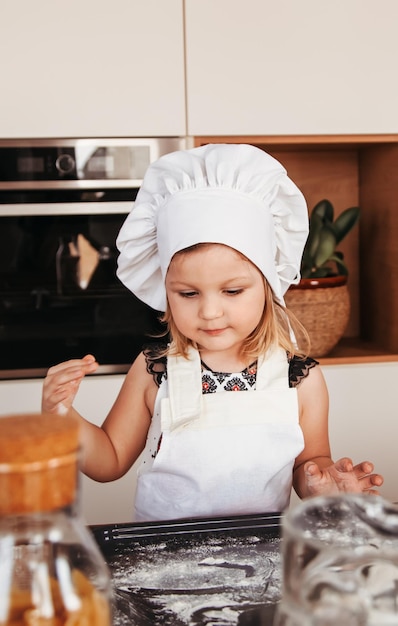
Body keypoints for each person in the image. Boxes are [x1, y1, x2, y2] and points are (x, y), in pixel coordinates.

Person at [42, 143, 383, 522]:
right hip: (165, 559)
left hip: (262, 561)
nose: (209, 311)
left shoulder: (300, 378)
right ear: (166, 291)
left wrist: (323, 483)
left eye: (232, 291)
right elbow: (108, 461)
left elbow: (310, 462)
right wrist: (61, 414)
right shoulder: (156, 368)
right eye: (188, 294)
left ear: (268, 285)